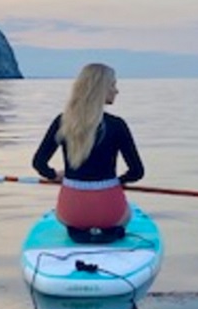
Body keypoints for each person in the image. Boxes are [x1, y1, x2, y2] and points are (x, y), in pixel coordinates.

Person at [32, 63, 144, 230]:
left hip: (70, 213)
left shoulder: (62, 122)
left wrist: (55, 175)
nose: (116, 90)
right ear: (100, 89)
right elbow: (137, 172)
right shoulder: (117, 125)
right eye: (112, 85)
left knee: (64, 213)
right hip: (109, 212)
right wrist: (118, 182)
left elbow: (39, 163)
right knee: (128, 213)